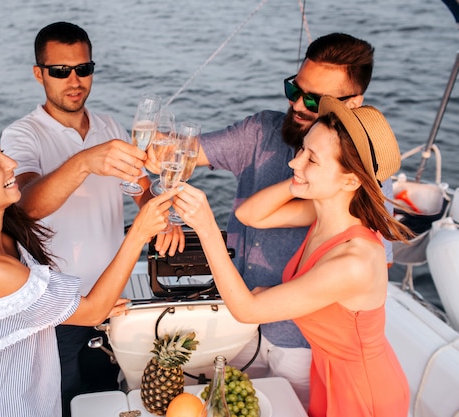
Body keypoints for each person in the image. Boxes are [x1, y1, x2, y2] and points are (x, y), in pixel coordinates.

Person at [147, 32, 387, 406]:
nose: (297, 104)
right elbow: (244, 209)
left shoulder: (350, 201)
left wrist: (206, 224)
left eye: (314, 99)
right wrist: (152, 160)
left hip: (312, 355)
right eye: (295, 88)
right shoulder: (267, 136)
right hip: (244, 325)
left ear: (352, 104)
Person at [0, 116, 174, 417]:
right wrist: (139, 232)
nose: (11, 163)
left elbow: (17, 311)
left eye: (1, 152)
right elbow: (94, 310)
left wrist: (73, 306)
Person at [172, 96, 411, 417]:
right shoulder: (324, 213)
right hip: (328, 374)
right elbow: (250, 214)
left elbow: (247, 309)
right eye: (302, 150)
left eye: (313, 159)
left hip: (361, 389)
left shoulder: (353, 261)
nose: (293, 162)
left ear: (351, 180)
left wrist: (206, 229)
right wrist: (301, 179)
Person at [0, 21, 184, 414]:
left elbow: (138, 186)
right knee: (61, 402)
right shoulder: (22, 135)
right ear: (39, 74)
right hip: (56, 309)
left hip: (112, 299)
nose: (74, 80)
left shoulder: (109, 127)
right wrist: (85, 161)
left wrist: (161, 214)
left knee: (105, 398)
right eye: (60, 70)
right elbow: (26, 205)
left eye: (83, 69)